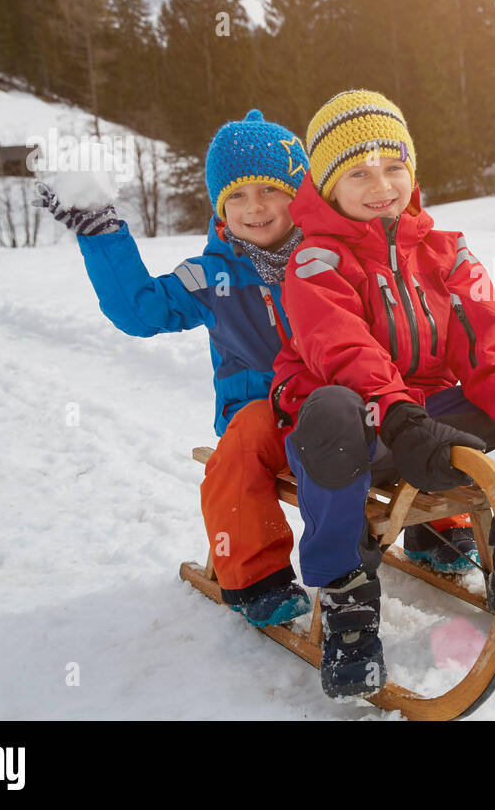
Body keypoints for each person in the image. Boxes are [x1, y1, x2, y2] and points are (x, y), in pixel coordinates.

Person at [271, 89, 495, 700]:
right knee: (330, 408)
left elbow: (488, 346)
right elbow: (345, 353)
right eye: (358, 172)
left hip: (430, 421)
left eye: (393, 166)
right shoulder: (312, 263)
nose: (381, 185)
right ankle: (347, 599)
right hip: (355, 433)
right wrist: (399, 417)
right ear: (326, 188)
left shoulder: (445, 251)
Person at [35, 109, 315, 628]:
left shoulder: (330, 260)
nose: (253, 207)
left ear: (300, 194)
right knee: (238, 453)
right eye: (235, 195)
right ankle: (260, 579)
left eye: (270, 190)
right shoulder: (211, 276)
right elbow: (140, 310)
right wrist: (102, 234)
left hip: (329, 409)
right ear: (219, 207)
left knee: (411, 410)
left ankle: (443, 526)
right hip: (262, 419)